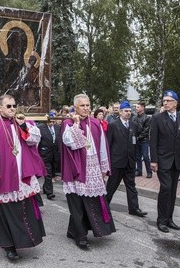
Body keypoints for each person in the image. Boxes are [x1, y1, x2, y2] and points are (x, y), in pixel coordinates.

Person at [0, 94, 46, 261]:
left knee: (24, 209)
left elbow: (35, 139)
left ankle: (26, 240)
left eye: (14, 105)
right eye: (8, 106)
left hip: (22, 173)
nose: (12, 109)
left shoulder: (22, 123)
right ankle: (9, 247)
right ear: (0, 108)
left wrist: (24, 126)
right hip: (5, 174)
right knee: (7, 212)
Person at [60, 94, 115, 249]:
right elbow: (71, 143)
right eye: (82, 105)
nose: (85, 108)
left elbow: (103, 146)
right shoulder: (68, 123)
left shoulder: (96, 123)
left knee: (90, 201)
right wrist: (76, 123)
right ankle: (81, 236)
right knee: (76, 204)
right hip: (76, 168)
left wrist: (104, 167)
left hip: (93, 168)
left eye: (87, 105)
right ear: (75, 107)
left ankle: (73, 230)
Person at [150, 90, 180, 233]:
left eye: (168, 101)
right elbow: (153, 141)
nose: (165, 103)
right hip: (163, 160)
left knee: (173, 191)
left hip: (177, 160)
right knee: (166, 188)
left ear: (175, 102)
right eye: (164, 101)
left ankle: (169, 219)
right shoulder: (157, 118)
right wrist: (154, 160)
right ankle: (161, 220)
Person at [105, 101, 147, 217]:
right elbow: (108, 144)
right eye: (126, 111)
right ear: (120, 112)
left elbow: (136, 141)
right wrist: (108, 162)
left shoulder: (133, 126)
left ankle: (134, 208)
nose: (128, 113)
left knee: (131, 186)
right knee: (111, 186)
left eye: (129, 111)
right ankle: (104, 206)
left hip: (130, 161)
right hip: (117, 161)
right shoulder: (113, 125)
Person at [37, 113, 61, 200]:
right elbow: (37, 142)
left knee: (52, 172)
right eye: (49, 119)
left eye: (53, 119)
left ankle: (45, 187)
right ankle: (49, 192)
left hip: (55, 154)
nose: (51, 121)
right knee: (48, 173)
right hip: (44, 153)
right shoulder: (40, 128)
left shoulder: (58, 128)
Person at [133, 102, 152, 178]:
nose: (136, 108)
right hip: (136, 139)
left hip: (144, 140)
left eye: (138, 107)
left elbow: (147, 129)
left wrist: (139, 136)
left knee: (145, 156)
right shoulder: (134, 118)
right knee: (137, 156)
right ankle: (139, 171)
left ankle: (149, 172)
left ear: (143, 108)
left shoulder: (147, 118)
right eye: (136, 107)